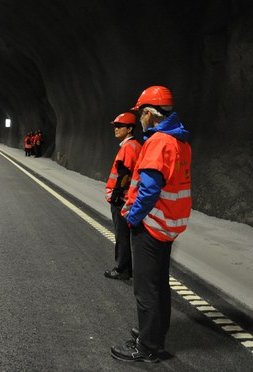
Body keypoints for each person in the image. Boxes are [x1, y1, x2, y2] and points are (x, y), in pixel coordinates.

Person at [111, 86, 192, 362]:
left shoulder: (158, 143)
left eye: (141, 114)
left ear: (148, 113)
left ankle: (147, 348)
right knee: (159, 284)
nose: (139, 119)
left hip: (151, 225)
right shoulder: (180, 141)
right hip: (169, 224)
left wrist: (132, 218)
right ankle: (154, 334)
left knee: (145, 288)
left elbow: (148, 191)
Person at [104, 112, 141, 280]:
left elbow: (124, 173)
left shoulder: (128, 147)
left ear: (130, 129)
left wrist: (116, 196)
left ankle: (121, 269)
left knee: (122, 235)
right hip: (131, 198)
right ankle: (130, 268)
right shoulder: (136, 146)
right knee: (129, 235)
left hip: (123, 199)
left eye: (119, 126)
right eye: (115, 126)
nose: (116, 129)